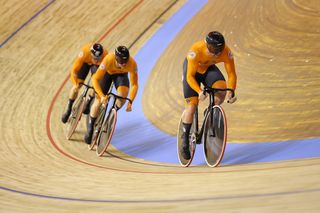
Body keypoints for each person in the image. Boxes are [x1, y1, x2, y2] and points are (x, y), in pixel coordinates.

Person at [181, 31, 237, 159]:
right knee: (192, 107)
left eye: (219, 49)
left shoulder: (226, 52)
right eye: (213, 49)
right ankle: (185, 139)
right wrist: (199, 91)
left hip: (207, 69)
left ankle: (211, 110)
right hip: (192, 72)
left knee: (222, 90)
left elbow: (232, 74)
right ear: (206, 45)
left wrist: (231, 91)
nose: (216, 52)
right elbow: (189, 76)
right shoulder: (196, 50)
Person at [84, 46, 138, 144]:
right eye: (121, 63)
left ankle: (112, 114)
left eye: (125, 63)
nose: (123, 65)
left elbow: (134, 84)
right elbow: (95, 79)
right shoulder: (108, 59)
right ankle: (91, 127)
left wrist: (130, 101)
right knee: (98, 100)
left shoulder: (132, 64)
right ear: (116, 59)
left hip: (121, 76)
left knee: (122, 96)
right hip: (106, 74)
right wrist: (102, 96)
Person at [61, 43, 108, 123]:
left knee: (95, 83)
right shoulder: (85, 52)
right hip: (85, 63)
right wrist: (75, 84)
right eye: (94, 58)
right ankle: (68, 108)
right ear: (90, 54)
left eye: (98, 58)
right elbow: (74, 70)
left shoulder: (105, 56)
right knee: (77, 84)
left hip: (97, 67)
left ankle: (89, 99)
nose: (96, 60)